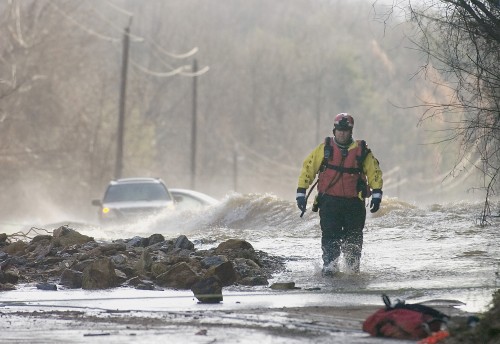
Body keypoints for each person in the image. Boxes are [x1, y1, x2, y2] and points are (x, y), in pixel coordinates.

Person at [296, 113, 383, 276]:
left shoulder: (362, 152)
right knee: (329, 237)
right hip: (329, 203)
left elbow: (374, 173)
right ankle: (330, 268)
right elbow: (308, 169)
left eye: (345, 130)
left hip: (354, 204)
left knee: (354, 239)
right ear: (334, 130)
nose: (342, 133)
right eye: (339, 130)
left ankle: (352, 271)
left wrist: (377, 194)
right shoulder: (324, 149)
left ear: (351, 131)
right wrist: (301, 192)